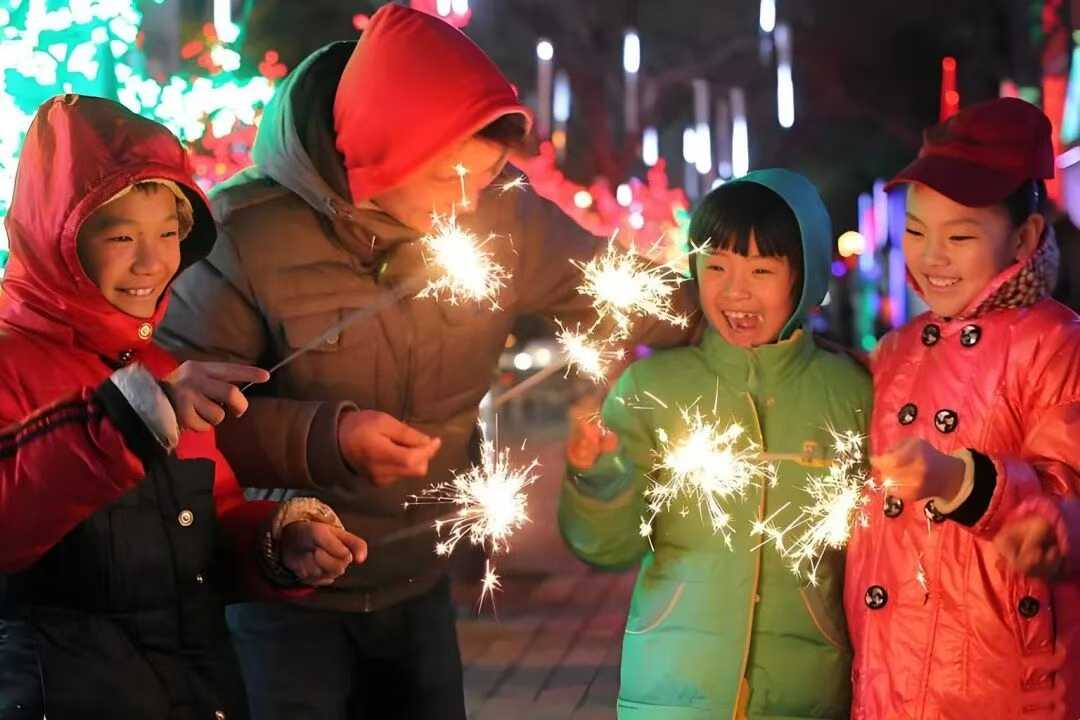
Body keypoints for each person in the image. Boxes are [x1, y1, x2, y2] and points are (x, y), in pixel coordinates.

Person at [156, 4, 697, 718]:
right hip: (281, 592)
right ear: (381, 155)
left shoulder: (503, 216)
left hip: (419, 581)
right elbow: (183, 421)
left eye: (488, 174)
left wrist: (736, 309)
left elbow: (619, 288)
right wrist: (329, 439)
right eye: (448, 177)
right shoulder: (242, 235)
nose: (471, 202)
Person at [0, 95, 366, 719]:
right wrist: (131, 420)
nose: (153, 262)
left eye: (168, 234)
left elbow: (203, 527)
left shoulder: (164, 371)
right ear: (56, 238)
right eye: (121, 236)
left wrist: (275, 544)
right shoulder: (12, 365)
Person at [559, 170, 871, 718]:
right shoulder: (651, 388)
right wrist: (599, 476)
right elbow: (607, 548)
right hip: (673, 688)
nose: (735, 291)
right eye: (717, 266)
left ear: (804, 277)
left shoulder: (852, 392)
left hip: (807, 691)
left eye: (762, 270)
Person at [847, 97, 1080, 719]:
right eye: (915, 231)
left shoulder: (1056, 343)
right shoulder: (897, 350)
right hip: (888, 680)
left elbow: (1067, 495)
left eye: (960, 236)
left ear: (1023, 237)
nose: (931, 256)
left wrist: (961, 483)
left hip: (1002, 681)